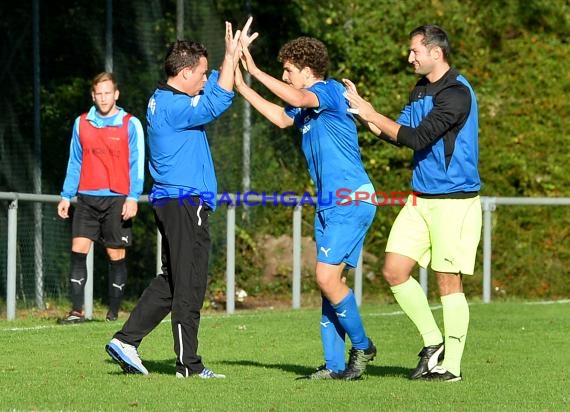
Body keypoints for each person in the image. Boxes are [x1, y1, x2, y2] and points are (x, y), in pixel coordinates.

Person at [105, 18, 254, 379]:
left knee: (173, 281)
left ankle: (126, 341)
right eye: (202, 72)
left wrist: (226, 63)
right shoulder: (173, 106)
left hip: (175, 202)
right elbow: (217, 102)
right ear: (185, 72)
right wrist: (231, 58)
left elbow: (212, 96)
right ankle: (188, 364)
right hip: (186, 203)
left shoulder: (164, 99)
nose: (205, 78)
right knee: (189, 284)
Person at [343, 25, 481, 382]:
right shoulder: (420, 89)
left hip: (453, 202)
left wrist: (371, 113)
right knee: (394, 270)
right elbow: (396, 134)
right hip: (419, 200)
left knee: (447, 281)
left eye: (415, 51)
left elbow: (419, 137)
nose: (409, 57)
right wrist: (362, 112)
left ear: (436, 53)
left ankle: (451, 367)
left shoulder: (456, 93)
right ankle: (434, 343)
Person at [234, 33, 377, 380]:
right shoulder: (307, 106)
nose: (284, 76)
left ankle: (363, 346)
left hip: (351, 199)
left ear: (307, 70)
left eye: (287, 70)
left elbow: (296, 96)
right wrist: (241, 86)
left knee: (326, 278)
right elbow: (282, 117)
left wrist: (253, 68)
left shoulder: (327, 91)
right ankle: (334, 366)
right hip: (329, 204)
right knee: (329, 284)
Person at [57, 72, 145, 324]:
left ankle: (113, 314)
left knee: (115, 255)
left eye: (108, 93)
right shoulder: (81, 123)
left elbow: (137, 163)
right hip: (86, 198)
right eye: (99, 93)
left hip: (117, 199)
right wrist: (66, 195)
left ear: (116, 94)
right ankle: (76, 311)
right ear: (93, 96)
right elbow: (75, 160)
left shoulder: (131, 124)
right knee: (78, 250)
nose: (104, 98)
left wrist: (133, 197)